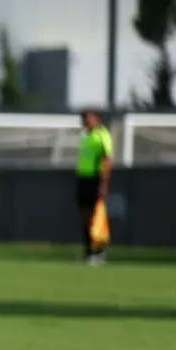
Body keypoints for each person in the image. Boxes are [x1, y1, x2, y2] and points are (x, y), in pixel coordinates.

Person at [75, 109, 113, 265]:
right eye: (83, 118)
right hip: (83, 177)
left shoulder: (102, 135)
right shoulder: (85, 136)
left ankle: (98, 252)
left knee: (95, 216)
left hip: (95, 178)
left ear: (97, 119)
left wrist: (104, 183)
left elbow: (107, 159)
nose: (85, 121)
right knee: (84, 215)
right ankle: (88, 252)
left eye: (88, 118)